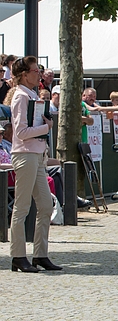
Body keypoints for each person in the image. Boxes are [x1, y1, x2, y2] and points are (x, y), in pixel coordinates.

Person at [8, 56, 58, 273]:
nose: (39, 73)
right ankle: (18, 255)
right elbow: (20, 132)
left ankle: (40, 254)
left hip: (37, 155)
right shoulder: (20, 97)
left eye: (39, 70)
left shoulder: (31, 95)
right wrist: (46, 128)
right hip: (25, 154)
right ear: (24, 74)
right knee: (22, 207)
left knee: (46, 206)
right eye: (35, 71)